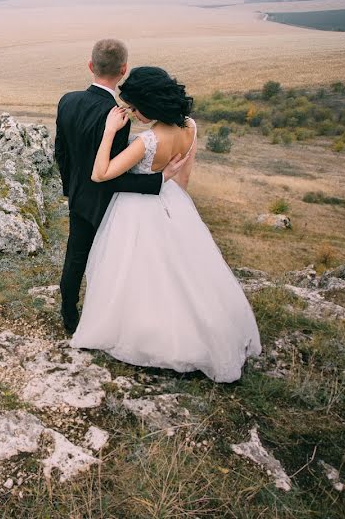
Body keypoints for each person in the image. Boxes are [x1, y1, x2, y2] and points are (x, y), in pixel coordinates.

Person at [69, 66, 262, 383]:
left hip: (137, 209)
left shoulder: (147, 141)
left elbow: (100, 173)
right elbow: (183, 181)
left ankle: (146, 334)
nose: (133, 113)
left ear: (150, 104)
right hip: (173, 202)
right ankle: (198, 331)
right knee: (183, 274)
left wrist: (108, 131)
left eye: (135, 107)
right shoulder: (190, 128)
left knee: (136, 274)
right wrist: (172, 205)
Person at [55, 40, 189, 335]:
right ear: (123, 70)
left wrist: (71, 188)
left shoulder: (67, 101)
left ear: (91, 65)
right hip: (108, 201)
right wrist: (158, 180)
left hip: (79, 196)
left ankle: (69, 314)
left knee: (75, 257)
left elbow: (61, 153)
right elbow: (112, 175)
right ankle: (108, 314)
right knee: (110, 259)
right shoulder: (118, 116)